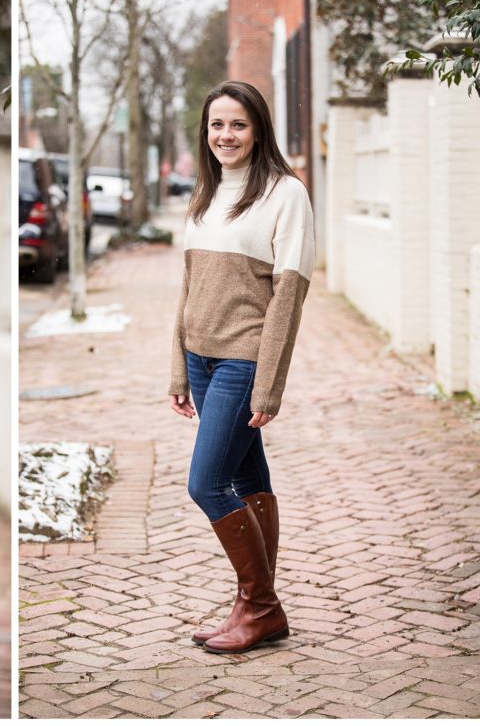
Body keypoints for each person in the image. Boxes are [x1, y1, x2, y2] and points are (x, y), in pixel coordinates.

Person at [168, 80, 314, 654]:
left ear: (258, 130)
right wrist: (178, 369)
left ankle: (261, 606)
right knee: (249, 479)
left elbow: (289, 296)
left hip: (243, 358)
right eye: (216, 125)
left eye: (238, 125)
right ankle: (253, 607)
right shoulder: (205, 193)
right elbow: (186, 287)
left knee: (206, 483)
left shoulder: (285, 194)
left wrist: (269, 383)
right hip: (201, 359)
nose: (225, 135)